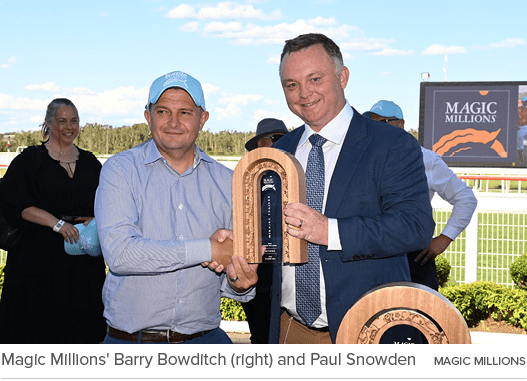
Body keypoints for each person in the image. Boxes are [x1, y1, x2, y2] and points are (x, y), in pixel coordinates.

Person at [268, 33, 435, 344]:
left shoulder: (392, 144)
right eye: (292, 85)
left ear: (342, 76)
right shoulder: (280, 154)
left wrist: (329, 231)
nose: (304, 93)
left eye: (315, 78)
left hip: (368, 333)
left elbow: (415, 227)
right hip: (292, 331)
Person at [94, 70, 258, 344]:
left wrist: (239, 283)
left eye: (184, 112)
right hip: (131, 343)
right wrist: (208, 248)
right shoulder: (120, 170)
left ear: (202, 119)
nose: (173, 122)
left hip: (207, 341)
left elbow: (233, 271)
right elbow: (120, 254)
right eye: (162, 112)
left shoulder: (228, 182)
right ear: (148, 116)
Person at [0, 98, 106, 343]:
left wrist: (95, 218)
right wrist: (57, 224)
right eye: (62, 121)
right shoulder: (29, 160)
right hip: (36, 264)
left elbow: (106, 202)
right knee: (36, 330)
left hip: (82, 265)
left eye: (74, 121)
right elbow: (17, 205)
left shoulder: (90, 162)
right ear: (47, 123)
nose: (69, 127)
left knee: (82, 331)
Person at [365, 100, 478, 290]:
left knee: (419, 318)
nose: (377, 129)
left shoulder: (427, 159)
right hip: (373, 256)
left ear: (401, 124)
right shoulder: (367, 158)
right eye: (372, 124)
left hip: (414, 258)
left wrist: (444, 239)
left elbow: (466, 198)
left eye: (383, 122)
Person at [242, 118, 288, 344]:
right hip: (257, 277)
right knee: (261, 338)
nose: (278, 144)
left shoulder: (297, 177)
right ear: (258, 145)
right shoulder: (245, 178)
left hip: (288, 276)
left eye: (283, 139)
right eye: (273, 139)